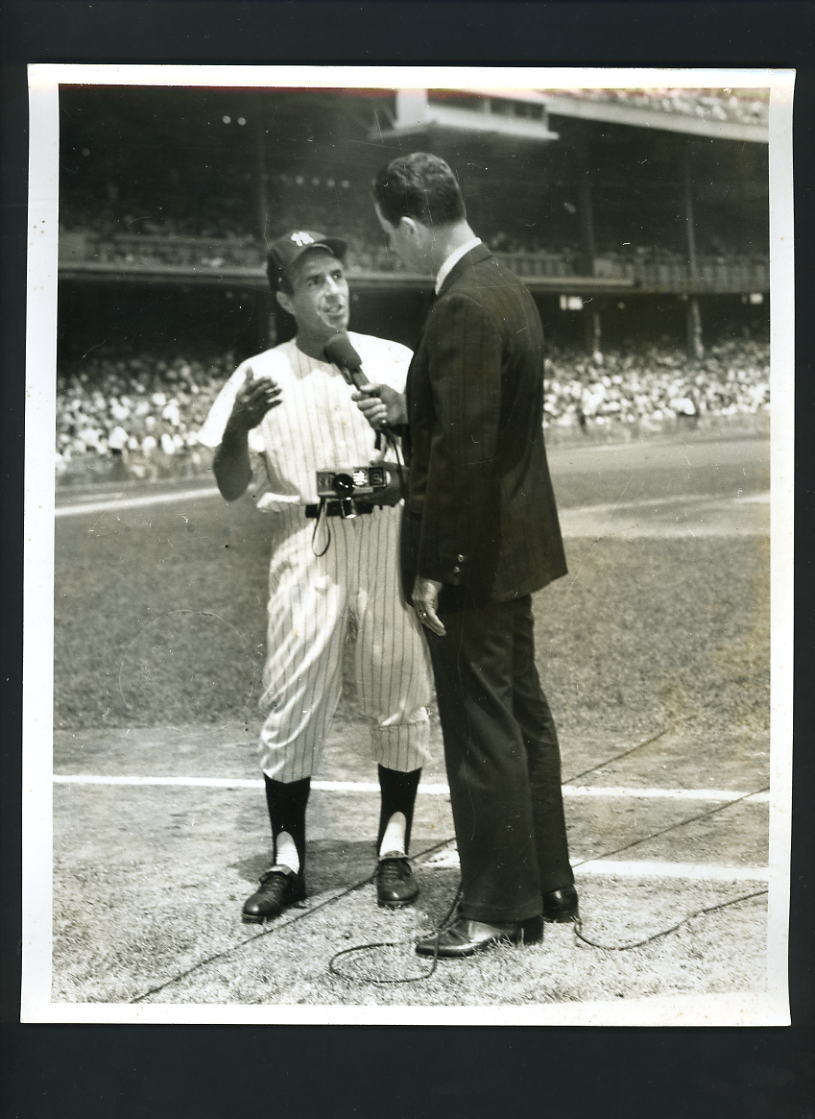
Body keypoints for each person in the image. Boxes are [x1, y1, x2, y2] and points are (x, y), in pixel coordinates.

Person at [356, 154, 577, 959]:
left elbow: (467, 455)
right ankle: (546, 885)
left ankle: (492, 904)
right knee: (523, 716)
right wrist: (410, 414)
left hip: (472, 560)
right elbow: (468, 426)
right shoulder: (506, 286)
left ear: (411, 224)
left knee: (481, 727)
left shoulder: (457, 306)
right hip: (513, 548)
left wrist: (432, 569)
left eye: (391, 236)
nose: (395, 250)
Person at [198, 229, 433, 923]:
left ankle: (393, 846)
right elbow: (231, 485)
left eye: (336, 274)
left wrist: (409, 421)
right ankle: (287, 859)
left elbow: (440, 456)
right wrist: (239, 428)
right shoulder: (257, 373)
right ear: (283, 297)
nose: (331, 290)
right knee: (294, 692)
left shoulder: (394, 358)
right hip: (308, 537)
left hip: (388, 535)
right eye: (312, 282)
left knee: (399, 686)